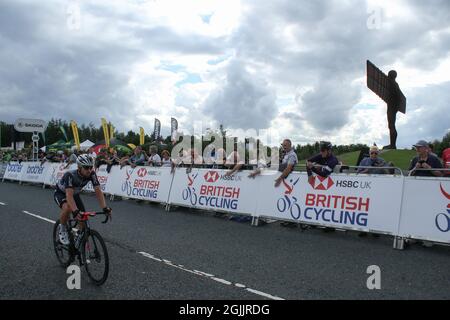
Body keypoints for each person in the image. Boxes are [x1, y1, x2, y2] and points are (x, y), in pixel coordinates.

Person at [54, 154, 112, 245]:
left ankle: (78, 241)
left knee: (83, 221)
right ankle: (62, 229)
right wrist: (75, 211)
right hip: (61, 193)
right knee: (68, 208)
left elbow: (98, 191)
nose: (89, 170)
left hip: (75, 194)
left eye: (90, 167)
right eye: (86, 168)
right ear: (79, 167)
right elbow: (69, 196)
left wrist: (105, 208)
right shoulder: (69, 175)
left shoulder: (91, 174)